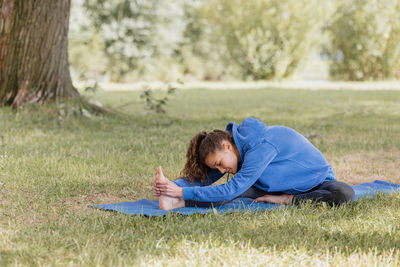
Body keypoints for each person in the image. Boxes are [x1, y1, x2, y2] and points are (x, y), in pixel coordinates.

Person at [153, 117, 355, 210]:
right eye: (218, 168)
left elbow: (231, 188)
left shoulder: (261, 147)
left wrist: (180, 191)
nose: (222, 170)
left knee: (344, 193)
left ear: (226, 146)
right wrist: (173, 187)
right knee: (232, 192)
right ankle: (178, 202)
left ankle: (288, 200)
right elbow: (207, 178)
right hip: (273, 187)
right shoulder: (235, 153)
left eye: (219, 164)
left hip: (318, 184)